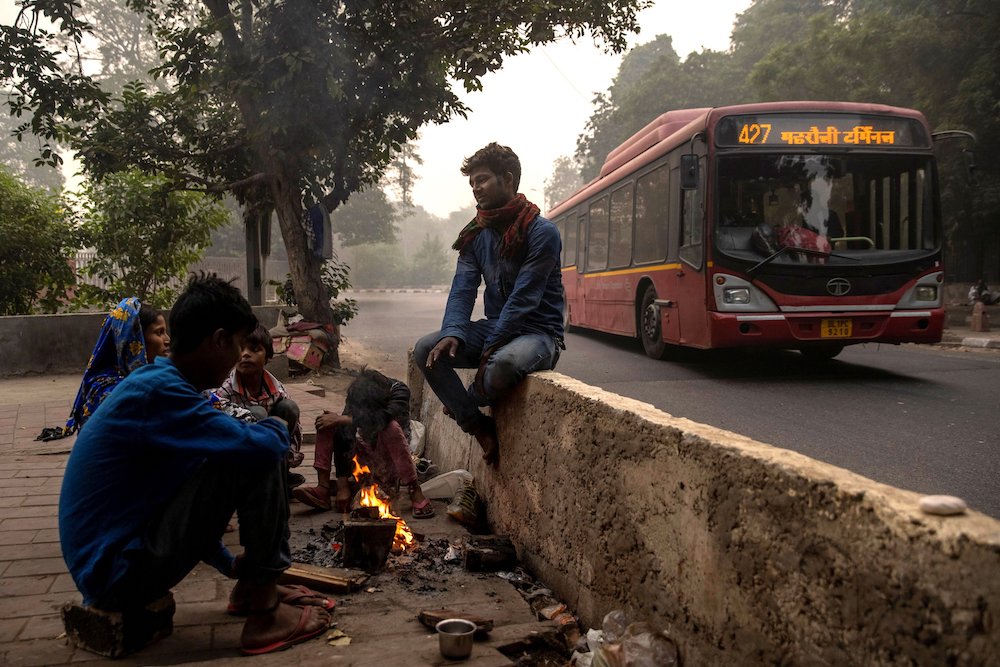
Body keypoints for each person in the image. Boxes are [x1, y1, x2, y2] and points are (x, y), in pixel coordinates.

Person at [58, 274, 332, 656]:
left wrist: (229, 564)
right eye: (237, 344)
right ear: (218, 340)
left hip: (114, 562)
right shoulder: (160, 391)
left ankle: (251, 586)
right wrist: (280, 422)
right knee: (260, 447)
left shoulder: (162, 382)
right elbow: (257, 449)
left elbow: (180, 492)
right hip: (115, 574)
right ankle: (265, 612)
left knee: (244, 442)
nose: (240, 355)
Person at [413, 142, 565, 466]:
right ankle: (478, 426)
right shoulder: (475, 235)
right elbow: (462, 288)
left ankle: (462, 406)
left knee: (503, 366)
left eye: (481, 180)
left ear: (507, 179)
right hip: (496, 327)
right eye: (472, 183)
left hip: (537, 333)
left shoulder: (542, 232)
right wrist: (452, 332)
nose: (475, 189)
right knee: (427, 350)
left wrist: (490, 349)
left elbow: (525, 298)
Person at [37, 297, 170, 441]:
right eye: (159, 333)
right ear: (135, 339)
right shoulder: (109, 391)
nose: (167, 340)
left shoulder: (149, 378)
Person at [294, 369, 417, 514]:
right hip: (364, 452)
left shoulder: (399, 392)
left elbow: (383, 418)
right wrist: (342, 486)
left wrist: (342, 418)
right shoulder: (360, 393)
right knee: (327, 423)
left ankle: (415, 491)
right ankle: (323, 489)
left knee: (390, 427)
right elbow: (343, 434)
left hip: (389, 460)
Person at [213, 324, 306, 488]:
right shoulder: (225, 389)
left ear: (268, 357)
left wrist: (287, 455)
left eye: (254, 350)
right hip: (239, 450)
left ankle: (281, 470)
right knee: (257, 414)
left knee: (289, 408)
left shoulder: (277, 390)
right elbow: (216, 418)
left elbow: (295, 430)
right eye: (241, 349)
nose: (246, 354)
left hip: (273, 447)